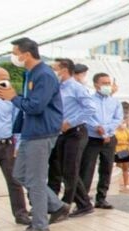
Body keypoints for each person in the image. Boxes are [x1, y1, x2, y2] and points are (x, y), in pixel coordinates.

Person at [0, 38, 69, 231]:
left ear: (26, 54)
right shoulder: (31, 74)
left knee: (35, 179)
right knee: (19, 174)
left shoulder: (44, 75)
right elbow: (28, 104)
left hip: (41, 132)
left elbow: (35, 106)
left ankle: (39, 223)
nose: (14, 57)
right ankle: (57, 206)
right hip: (30, 131)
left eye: (16, 52)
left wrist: (12, 98)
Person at [47, 58, 96, 217]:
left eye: (55, 68)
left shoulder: (76, 87)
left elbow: (90, 108)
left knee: (70, 170)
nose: (53, 71)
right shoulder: (57, 87)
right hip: (62, 133)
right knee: (64, 170)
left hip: (76, 132)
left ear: (64, 69)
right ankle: (84, 203)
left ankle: (66, 204)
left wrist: (72, 122)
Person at [0, 66, 30, 227]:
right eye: (2, 77)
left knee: (14, 180)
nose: (7, 80)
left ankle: (21, 214)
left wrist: (18, 144)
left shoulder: (11, 99)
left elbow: (17, 123)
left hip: (7, 145)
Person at [81, 72, 122, 210]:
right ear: (96, 85)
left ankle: (101, 198)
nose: (107, 86)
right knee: (87, 169)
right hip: (93, 138)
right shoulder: (90, 100)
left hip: (109, 139)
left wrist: (106, 130)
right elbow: (86, 116)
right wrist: (97, 127)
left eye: (108, 83)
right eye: (104, 83)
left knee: (106, 169)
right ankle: (83, 199)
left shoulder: (115, 101)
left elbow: (118, 119)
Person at [114, 114, 129, 191]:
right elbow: (116, 142)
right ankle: (117, 184)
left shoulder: (126, 131)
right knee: (118, 168)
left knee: (125, 168)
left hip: (125, 151)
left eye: (123, 122)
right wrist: (125, 143)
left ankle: (126, 184)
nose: (123, 124)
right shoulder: (115, 131)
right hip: (117, 151)